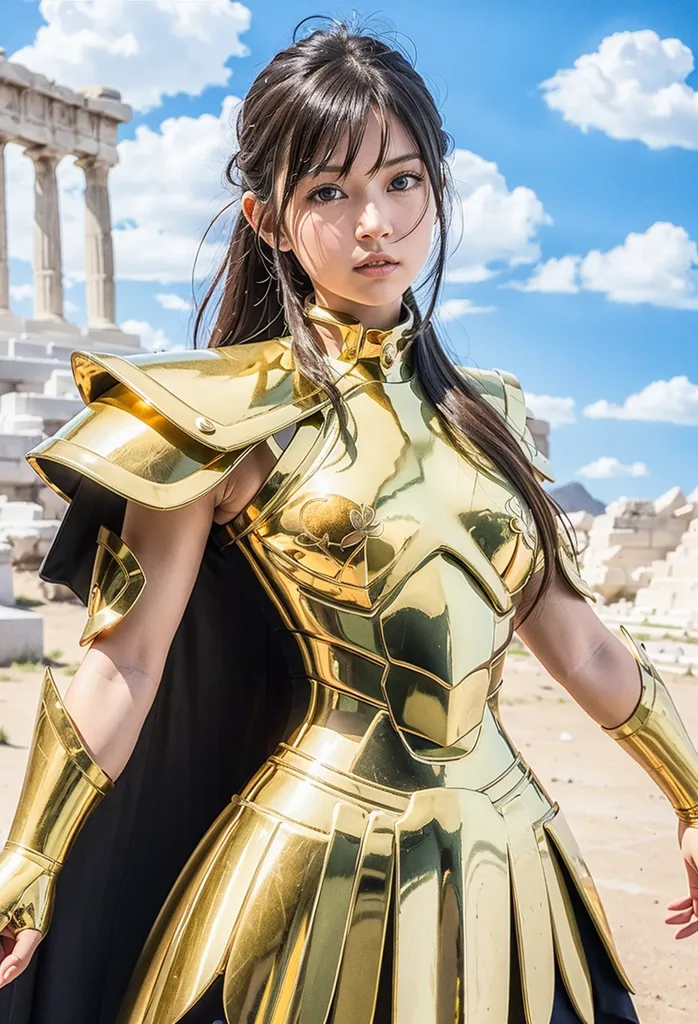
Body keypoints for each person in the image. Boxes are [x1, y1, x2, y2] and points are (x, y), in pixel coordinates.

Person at [1, 19, 697, 1024]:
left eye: (401, 181)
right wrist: (30, 854)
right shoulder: (218, 414)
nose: (373, 222)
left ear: (438, 189)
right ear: (268, 219)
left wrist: (685, 794)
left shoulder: (486, 412)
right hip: (309, 868)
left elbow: (578, 640)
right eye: (328, 191)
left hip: (509, 858)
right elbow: (128, 659)